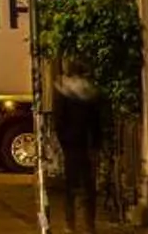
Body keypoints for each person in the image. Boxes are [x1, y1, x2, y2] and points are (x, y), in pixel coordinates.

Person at [50, 72, 107, 234]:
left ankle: (70, 223)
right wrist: (96, 144)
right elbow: (96, 123)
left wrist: (64, 143)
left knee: (70, 186)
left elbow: (59, 121)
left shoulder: (63, 93)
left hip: (71, 146)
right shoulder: (90, 93)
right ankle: (89, 224)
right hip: (86, 145)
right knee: (89, 186)